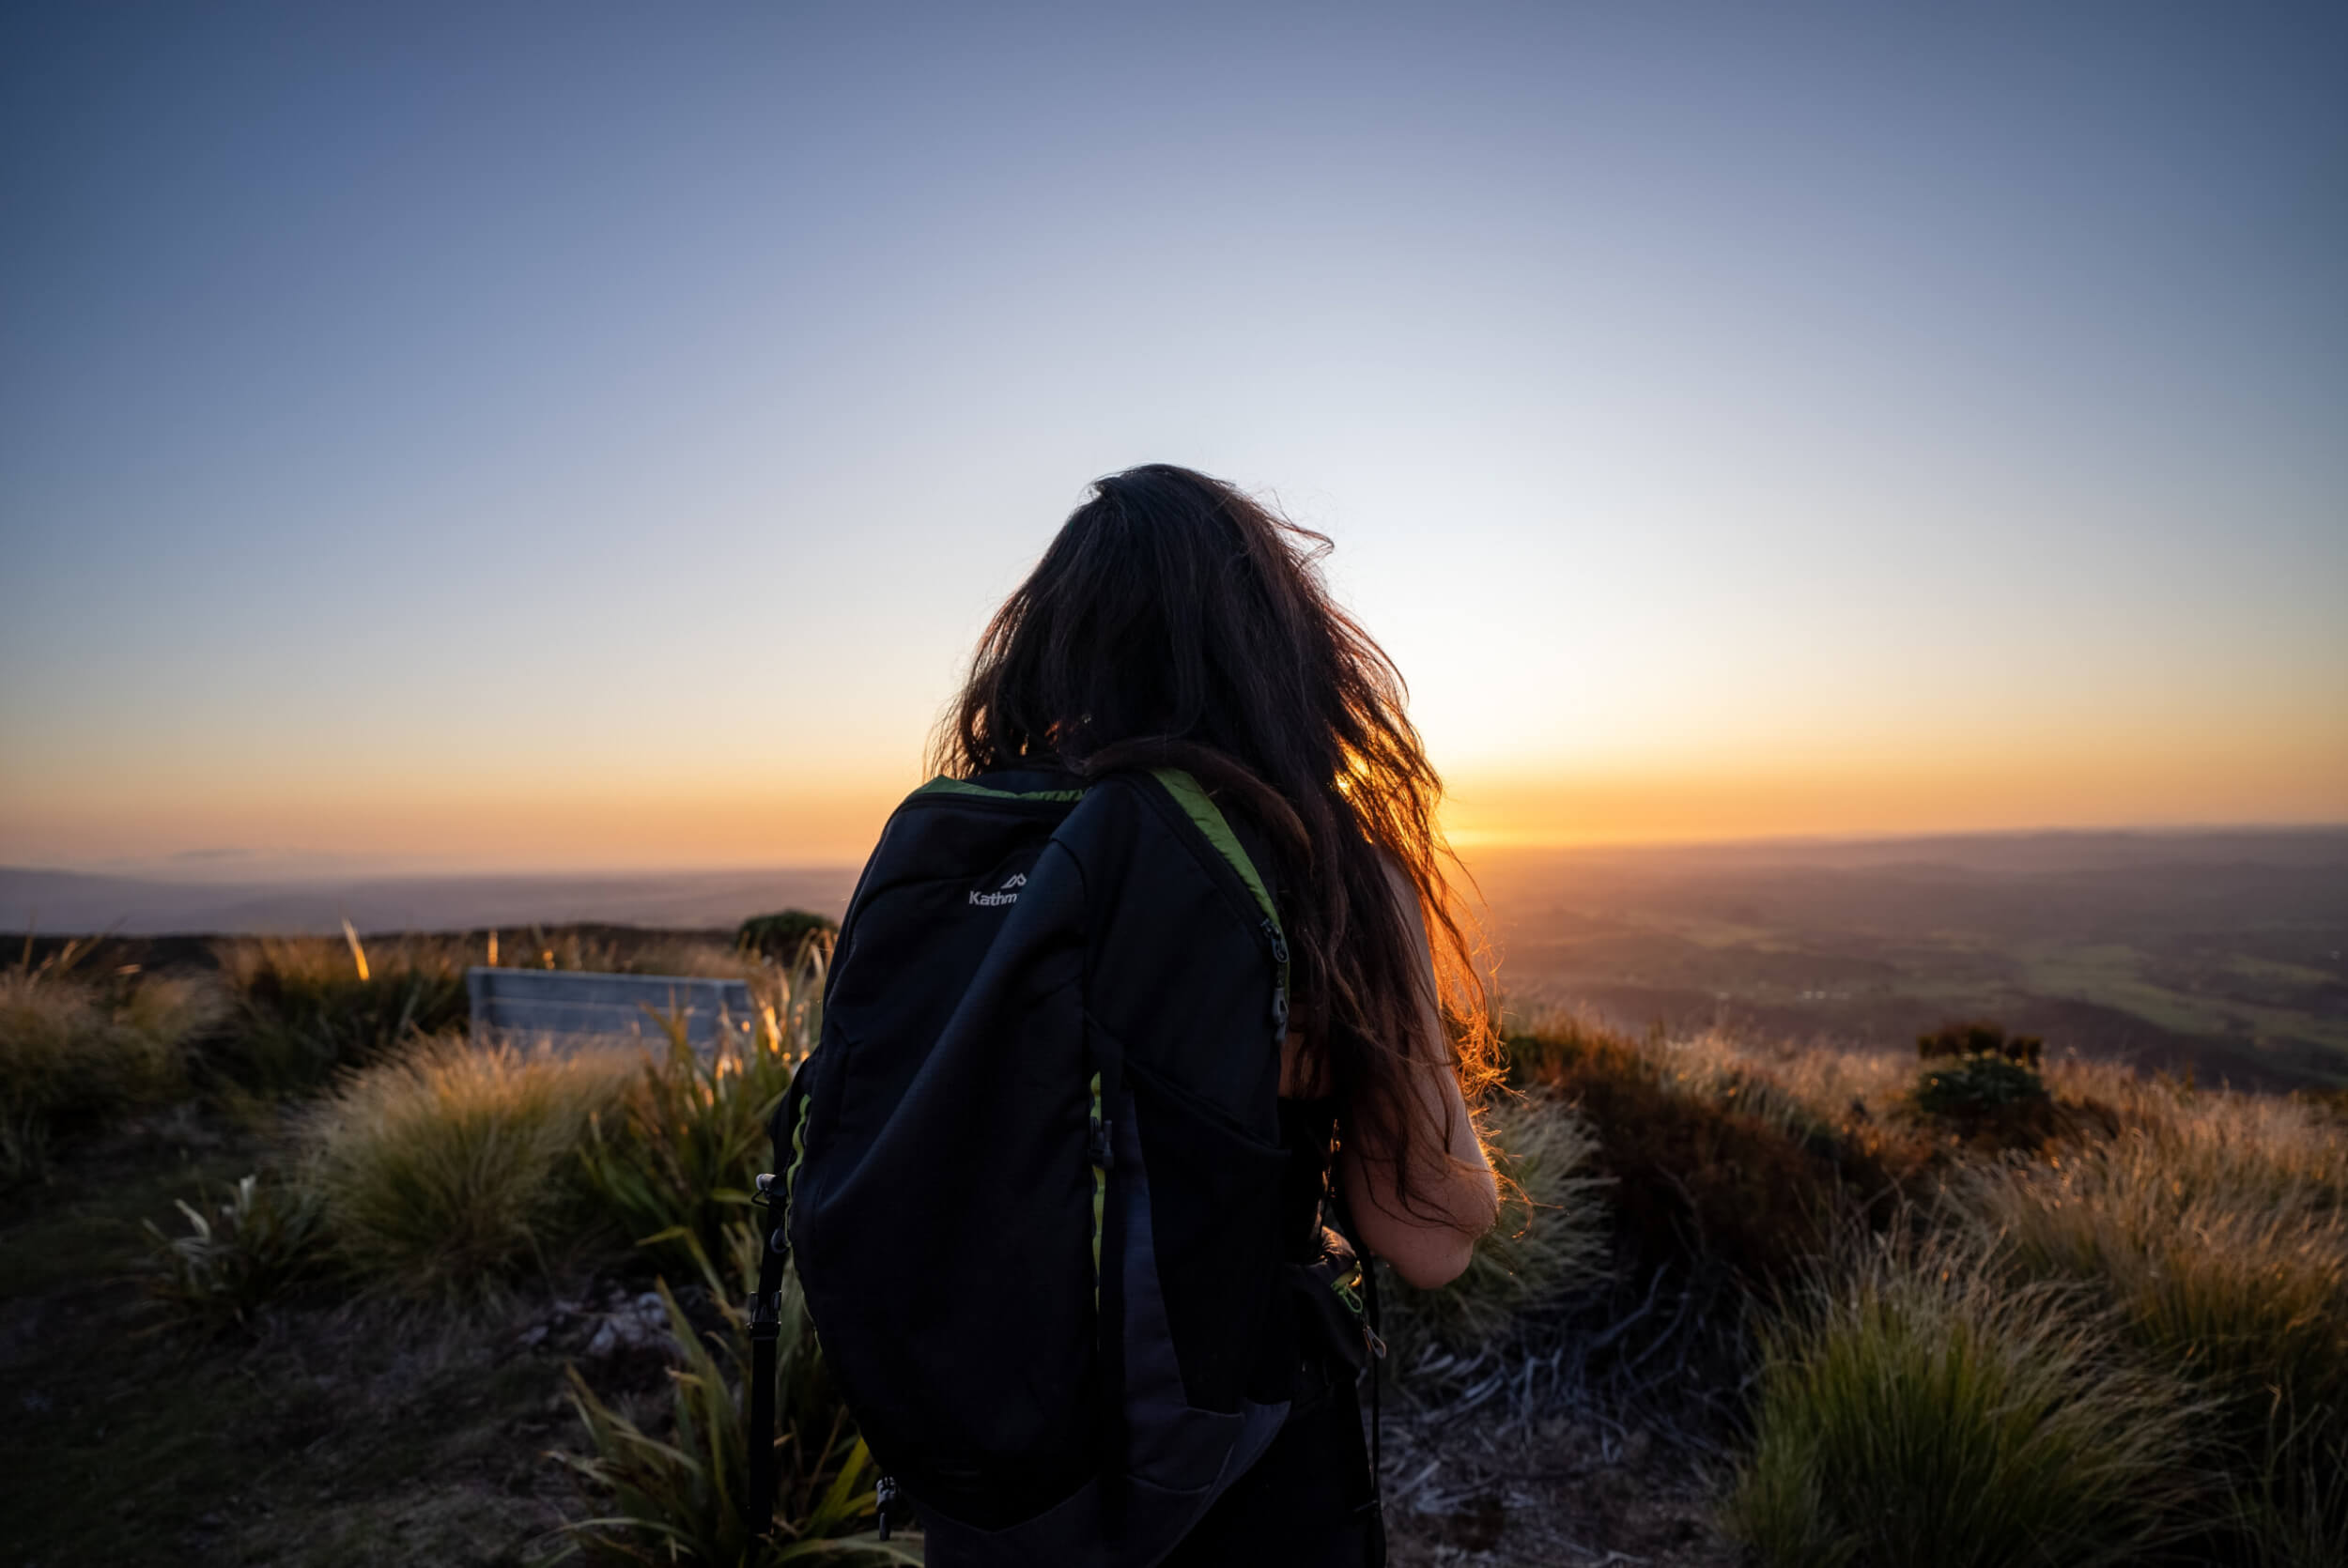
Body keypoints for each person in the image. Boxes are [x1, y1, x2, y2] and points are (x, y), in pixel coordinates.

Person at [930, 462, 1504, 1564]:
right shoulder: (1318, 866)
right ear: (1276, 645)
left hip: (991, 1457)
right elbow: (1429, 1230)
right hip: (1233, 1462)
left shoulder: (970, 851)